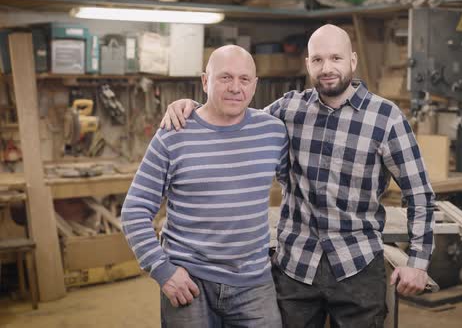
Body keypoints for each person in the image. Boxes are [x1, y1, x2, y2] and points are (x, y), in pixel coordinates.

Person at [161, 24, 436, 328]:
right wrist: (192, 109)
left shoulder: (386, 118)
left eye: (336, 58)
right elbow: (234, 119)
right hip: (295, 270)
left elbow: (420, 194)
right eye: (317, 60)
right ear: (307, 64)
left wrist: (418, 262)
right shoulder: (289, 109)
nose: (327, 68)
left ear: (353, 61)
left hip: (357, 267)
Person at [122, 45, 287, 328]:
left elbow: (300, 185)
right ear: (204, 81)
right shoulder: (173, 134)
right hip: (189, 280)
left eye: (244, 79)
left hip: (254, 282)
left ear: (255, 84)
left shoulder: (273, 131)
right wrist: (163, 270)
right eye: (225, 78)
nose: (236, 88)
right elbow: (134, 211)